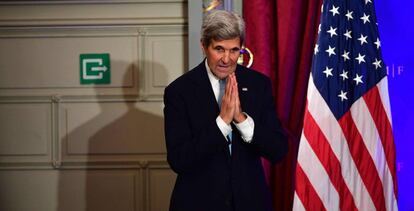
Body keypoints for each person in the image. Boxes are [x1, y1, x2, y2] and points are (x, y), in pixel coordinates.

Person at [163, 10, 288, 211]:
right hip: (198, 204)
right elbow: (179, 160)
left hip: (251, 203)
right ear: (203, 45)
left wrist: (241, 120)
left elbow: (278, 150)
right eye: (219, 49)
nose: (227, 59)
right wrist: (222, 122)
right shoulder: (179, 91)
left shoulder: (258, 85)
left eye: (234, 50)